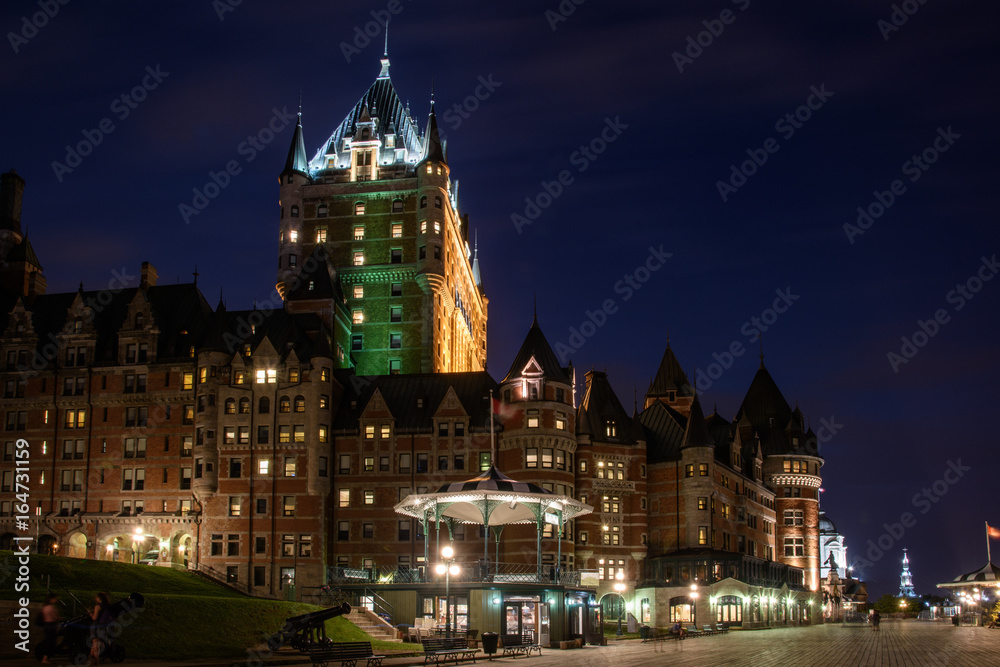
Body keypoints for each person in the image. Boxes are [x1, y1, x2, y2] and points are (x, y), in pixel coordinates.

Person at [89, 592, 112, 665]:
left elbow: (94, 618)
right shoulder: (108, 606)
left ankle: (95, 658)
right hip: (104, 626)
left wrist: (90, 614)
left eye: (97, 597)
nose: (96, 599)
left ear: (99, 598)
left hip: (96, 625)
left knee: (95, 642)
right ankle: (92, 656)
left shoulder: (98, 606)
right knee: (98, 642)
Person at [39, 594, 61, 664]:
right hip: (51, 626)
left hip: (46, 625)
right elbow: (56, 617)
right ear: (51, 599)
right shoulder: (51, 608)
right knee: (50, 642)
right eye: (55, 599)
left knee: (48, 641)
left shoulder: (44, 607)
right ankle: (45, 659)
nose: (56, 600)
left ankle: (46, 658)